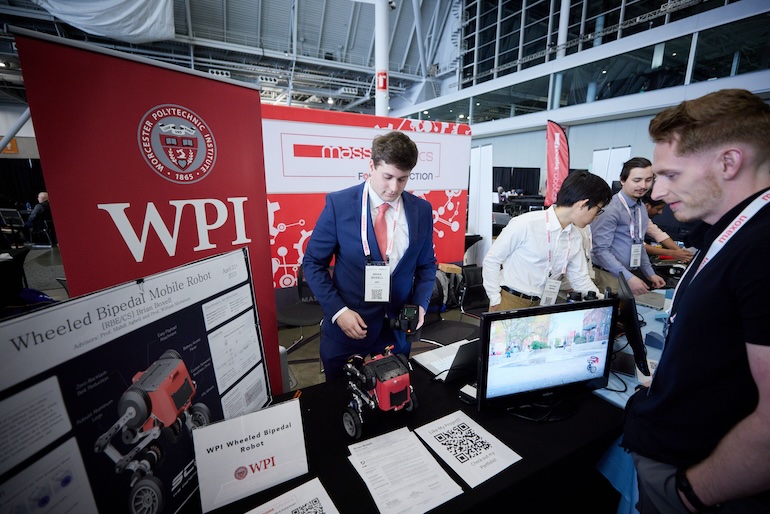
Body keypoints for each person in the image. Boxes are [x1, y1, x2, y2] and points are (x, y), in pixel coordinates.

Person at [622, 88, 770, 513]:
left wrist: (693, 493)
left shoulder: (762, 247)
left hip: (701, 479)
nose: (657, 192)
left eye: (671, 175)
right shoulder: (730, 231)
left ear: (728, 162)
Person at [302, 131, 437, 380]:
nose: (394, 188)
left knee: (393, 400)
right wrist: (338, 311)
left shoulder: (421, 210)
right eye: (388, 177)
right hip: (350, 329)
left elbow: (427, 265)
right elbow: (312, 263)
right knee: (342, 401)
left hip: (397, 331)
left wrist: (420, 304)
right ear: (371, 166)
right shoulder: (339, 204)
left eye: (403, 179)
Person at [482, 170, 611, 311]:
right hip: (511, 300)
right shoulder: (526, 224)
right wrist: (495, 298)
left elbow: (580, 279)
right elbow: (492, 260)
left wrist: (603, 302)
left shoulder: (574, 236)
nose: (596, 216)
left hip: (545, 303)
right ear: (583, 204)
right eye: (598, 210)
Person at [591, 158, 666, 296]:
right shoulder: (611, 209)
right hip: (608, 274)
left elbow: (639, 244)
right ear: (623, 180)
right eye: (637, 180)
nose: (643, 185)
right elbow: (599, 250)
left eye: (648, 180)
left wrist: (650, 273)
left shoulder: (641, 208)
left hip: (627, 273)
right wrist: (629, 278)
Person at [642, 192, 694, 263]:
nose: (660, 212)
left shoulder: (644, 218)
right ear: (647, 206)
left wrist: (681, 252)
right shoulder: (628, 217)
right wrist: (672, 253)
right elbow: (639, 245)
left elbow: (658, 234)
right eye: (658, 209)